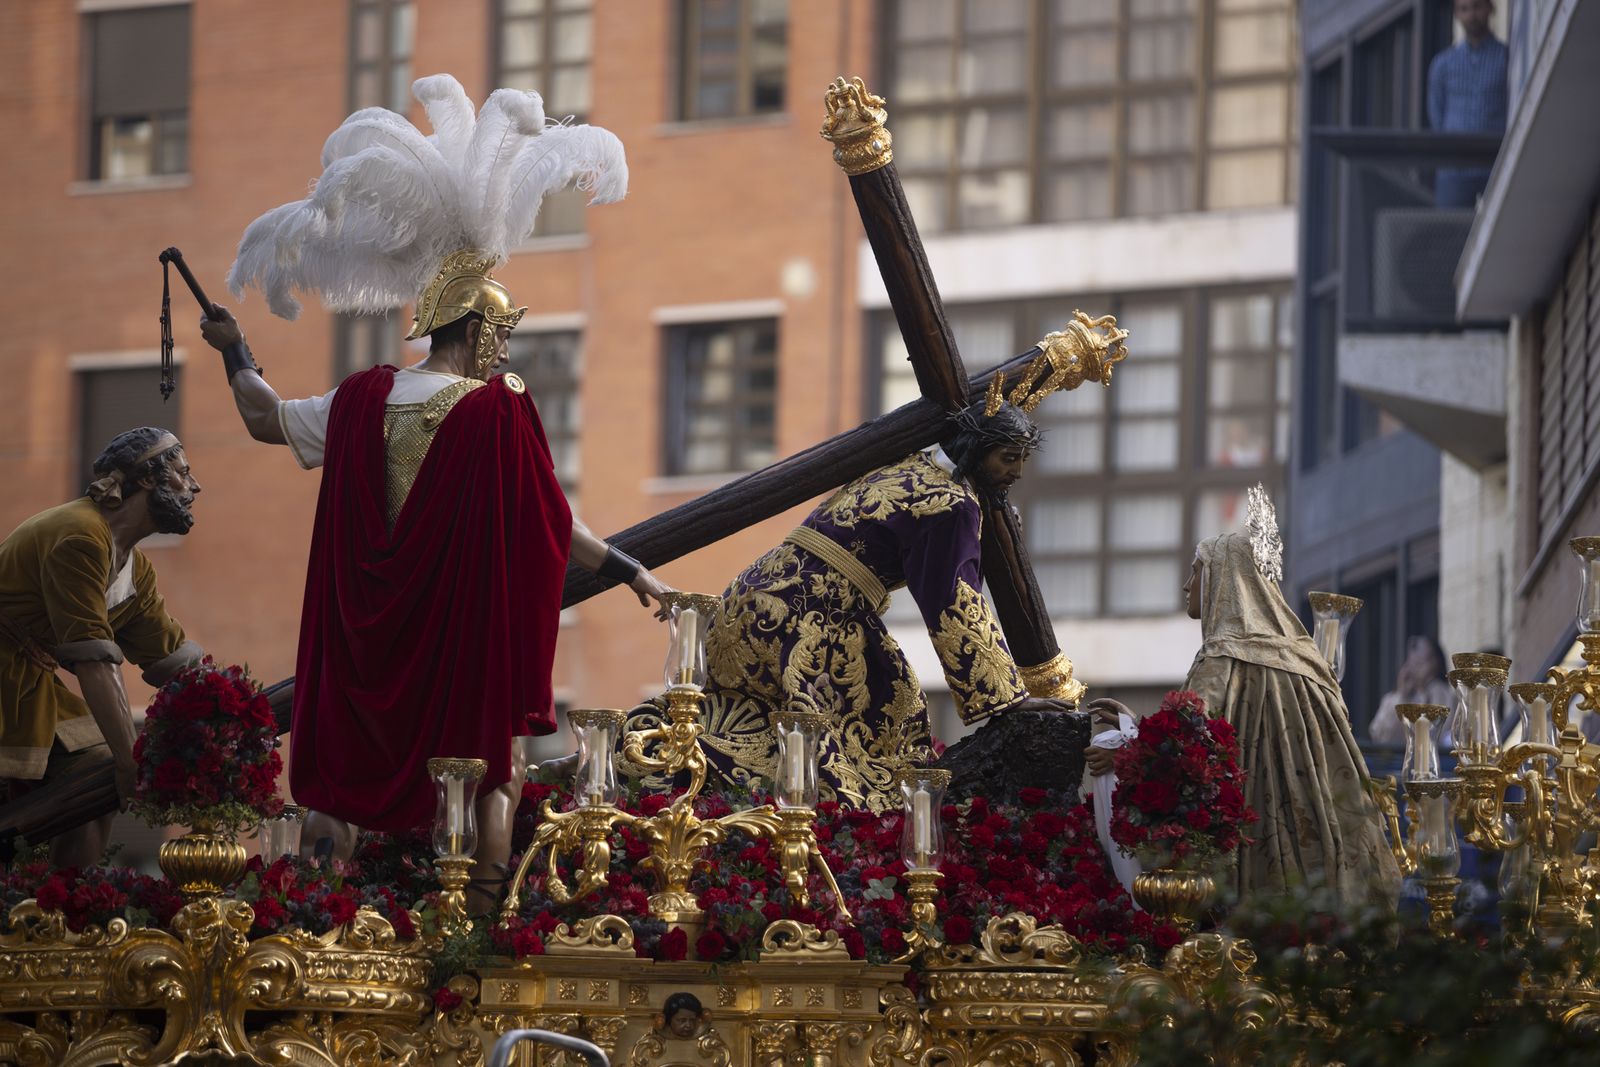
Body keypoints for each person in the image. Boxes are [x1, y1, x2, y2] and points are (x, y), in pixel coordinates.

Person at [210, 74, 668, 910]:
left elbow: (264, 419)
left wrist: (234, 349)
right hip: (458, 641)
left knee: (340, 778)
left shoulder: (357, 401)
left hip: (364, 644)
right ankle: (484, 933)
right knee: (497, 769)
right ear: (480, 329)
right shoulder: (498, 411)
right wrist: (630, 566)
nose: (504, 345)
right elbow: (552, 524)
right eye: (501, 331)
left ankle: (319, 913)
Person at [693, 314, 1126, 811]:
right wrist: (1008, 699)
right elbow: (952, 600)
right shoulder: (952, 503)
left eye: (1023, 460)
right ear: (975, 449)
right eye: (1008, 458)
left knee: (745, 719)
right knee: (888, 722)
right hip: (808, 614)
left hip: (746, 598)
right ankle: (858, 832)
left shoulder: (906, 467)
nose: (1017, 473)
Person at [1086, 493, 1401, 910]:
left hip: (1254, 856)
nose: (1186, 584)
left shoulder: (1222, 658)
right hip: (1328, 850)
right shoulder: (1308, 661)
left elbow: (1188, 751)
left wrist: (1126, 747)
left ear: (1224, 579)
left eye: (1197, 571)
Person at [0, 428, 204, 866]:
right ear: (148, 480)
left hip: (28, 689)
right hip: (8, 684)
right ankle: (65, 909)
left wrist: (239, 709)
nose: (194, 486)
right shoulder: (79, 536)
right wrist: (130, 763)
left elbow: (171, 659)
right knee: (101, 773)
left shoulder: (135, 567)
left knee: (94, 785)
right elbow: (93, 660)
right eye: (183, 474)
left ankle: (75, 909)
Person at [1428, 0, 1508, 207]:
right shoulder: (1443, 64)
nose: (1472, 15)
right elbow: (1436, 113)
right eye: (1464, 9)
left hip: (1494, 166)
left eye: (1477, 7)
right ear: (1456, 14)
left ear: (1490, 8)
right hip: (1454, 170)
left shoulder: (1506, 58)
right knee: (1450, 234)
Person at [1368, 636, 1454, 746]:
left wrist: (1426, 688)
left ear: (1435, 663)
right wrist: (1402, 696)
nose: (1417, 668)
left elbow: (1438, 734)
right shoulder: (1391, 699)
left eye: (1422, 663)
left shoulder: (1445, 694)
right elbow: (1379, 736)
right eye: (1413, 662)